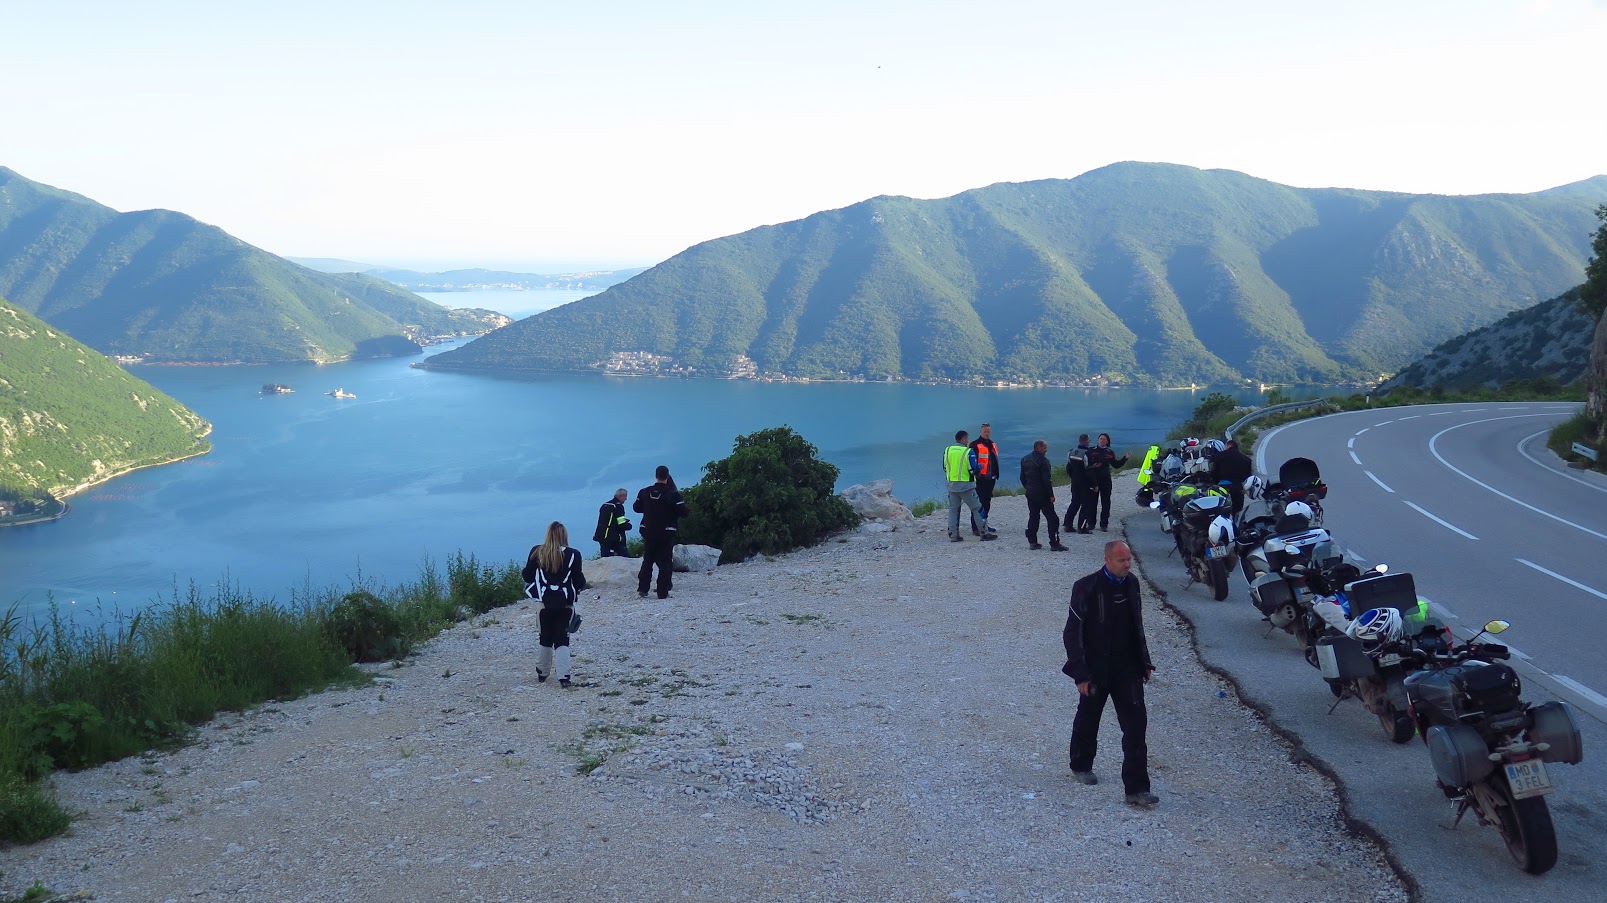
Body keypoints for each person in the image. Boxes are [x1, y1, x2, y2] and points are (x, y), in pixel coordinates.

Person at [1061, 540, 1157, 808]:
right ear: (1107, 560)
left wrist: (1144, 663)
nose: (1127, 565)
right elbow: (1072, 633)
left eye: (1129, 560)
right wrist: (1081, 674)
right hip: (1095, 668)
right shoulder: (1086, 587)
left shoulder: (1132, 584)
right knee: (1089, 717)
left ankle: (1137, 789)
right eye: (1121, 561)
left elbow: (1137, 626)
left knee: (1136, 727)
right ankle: (1081, 764)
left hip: (1127, 668)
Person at [522, 521, 589, 688]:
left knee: (545, 636)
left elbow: (527, 576)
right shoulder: (574, 554)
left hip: (543, 602)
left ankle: (542, 673)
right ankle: (564, 676)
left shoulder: (537, 552)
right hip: (565, 603)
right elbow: (579, 580)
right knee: (562, 638)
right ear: (564, 535)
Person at [634, 465, 689, 599]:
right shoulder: (673, 494)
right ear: (668, 476)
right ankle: (662, 592)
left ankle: (643, 589)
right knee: (665, 562)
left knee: (647, 560)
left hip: (648, 531)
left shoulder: (644, 492)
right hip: (666, 532)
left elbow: (636, 508)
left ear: (656, 476)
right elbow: (684, 512)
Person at [943, 430, 996, 543]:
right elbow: (973, 470)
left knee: (953, 510)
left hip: (952, 485)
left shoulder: (948, 450)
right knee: (978, 508)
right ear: (963, 439)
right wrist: (980, 466)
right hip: (966, 486)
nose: (968, 441)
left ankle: (953, 535)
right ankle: (984, 533)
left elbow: (945, 467)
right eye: (967, 439)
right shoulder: (968, 452)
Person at [1020, 439, 1068, 551]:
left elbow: (1022, 477)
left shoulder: (1025, 459)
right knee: (1053, 518)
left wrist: (1028, 488)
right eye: (1045, 447)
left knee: (1034, 516)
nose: (1046, 449)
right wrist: (1051, 495)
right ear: (1039, 448)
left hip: (1030, 492)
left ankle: (1032, 541)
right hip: (1042, 494)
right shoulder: (1043, 461)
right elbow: (1046, 480)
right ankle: (1054, 543)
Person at [1083, 433, 1129, 533]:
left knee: (1106, 502)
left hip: (1105, 480)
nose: (1102, 440)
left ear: (1107, 441)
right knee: (1092, 502)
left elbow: (1116, 465)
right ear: (1098, 440)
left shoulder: (1110, 452)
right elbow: (1086, 465)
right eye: (1100, 439)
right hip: (1093, 479)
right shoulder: (1091, 450)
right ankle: (1091, 523)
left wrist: (1125, 458)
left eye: (1104, 439)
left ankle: (1104, 524)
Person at [969, 423, 1001, 536]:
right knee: (979, 503)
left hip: (991, 478)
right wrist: (977, 475)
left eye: (988, 431)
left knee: (987, 502)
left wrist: (996, 474)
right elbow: (971, 463)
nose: (987, 433)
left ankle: (984, 524)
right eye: (985, 431)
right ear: (981, 432)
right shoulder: (974, 445)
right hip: (980, 479)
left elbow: (994, 460)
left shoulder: (992, 444)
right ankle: (976, 527)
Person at [1208, 438, 1253, 516]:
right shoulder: (1247, 460)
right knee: (1237, 513)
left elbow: (1213, 473)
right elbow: (1248, 478)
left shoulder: (1220, 456)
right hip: (1238, 489)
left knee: (1221, 513)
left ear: (1227, 446)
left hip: (1222, 488)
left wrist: (1215, 483)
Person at [1062, 434, 1093, 535]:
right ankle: (1082, 527)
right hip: (1085, 483)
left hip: (1075, 482)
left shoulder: (1071, 452)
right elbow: (1089, 471)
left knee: (1075, 502)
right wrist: (1094, 484)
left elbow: (1068, 468)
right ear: (1087, 441)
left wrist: (1073, 478)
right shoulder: (1088, 453)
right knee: (1086, 504)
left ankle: (1068, 524)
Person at [593, 488, 633, 557]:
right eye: (625, 496)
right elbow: (621, 523)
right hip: (614, 538)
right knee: (625, 556)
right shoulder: (618, 507)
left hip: (602, 536)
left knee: (605, 557)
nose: (626, 499)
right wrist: (629, 526)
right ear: (621, 496)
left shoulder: (605, 505)